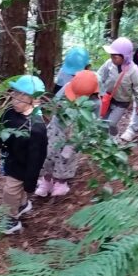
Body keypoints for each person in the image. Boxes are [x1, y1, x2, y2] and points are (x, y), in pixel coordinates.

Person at [0, 75, 48, 235]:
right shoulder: (10, 112)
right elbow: (0, 128)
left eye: (22, 96)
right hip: (11, 159)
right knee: (16, 190)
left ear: (34, 100)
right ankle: (21, 204)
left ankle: (11, 219)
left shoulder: (36, 128)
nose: (15, 99)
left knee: (10, 191)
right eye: (15, 93)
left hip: (22, 167)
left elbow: (37, 157)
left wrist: (30, 181)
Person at [36, 70, 101, 198]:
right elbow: (55, 103)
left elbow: (93, 122)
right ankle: (46, 181)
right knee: (48, 154)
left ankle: (60, 183)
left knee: (66, 158)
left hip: (74, 135)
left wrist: (85, 138)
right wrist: (58, 108)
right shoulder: (67, 88)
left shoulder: (95, 103)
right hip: (56, 128)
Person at [97, 37, 138, 139]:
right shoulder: (109, 64)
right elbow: (99, 76)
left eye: (115, 57)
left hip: (122, 102)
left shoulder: (133, 70)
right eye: (111, 56)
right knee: (102, 121)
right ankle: (105, 141)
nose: (112, 58)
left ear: (125, 57)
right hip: (108, 97)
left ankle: (114, 138)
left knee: (111, 123)